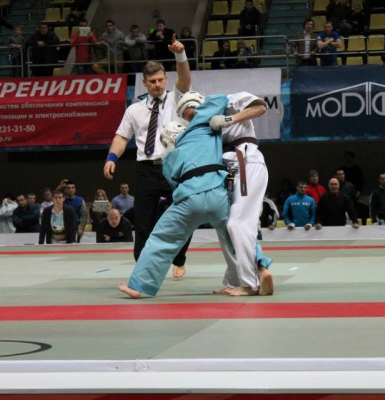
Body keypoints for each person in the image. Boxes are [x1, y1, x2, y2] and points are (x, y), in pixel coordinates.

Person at [118, 94, 269, 298]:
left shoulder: (170, 158)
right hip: (218, 195)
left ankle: (139, 285)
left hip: (189, 198)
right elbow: (216, 102)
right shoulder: (205, 129)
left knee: (162, 238)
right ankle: (260, 267)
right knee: (236, 230)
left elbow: (173, 184)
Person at [103, 36, 192, 278]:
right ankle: (143, 267)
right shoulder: (135, 109)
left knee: (184, 213)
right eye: (152, 81)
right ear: (144, 83)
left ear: (166, 79)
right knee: (143, 221)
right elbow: (122, 137)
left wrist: (180, 54)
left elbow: (185, 79)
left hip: (175, 166)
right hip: (146, 169)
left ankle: (179, 259)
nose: (157, 85)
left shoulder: (176, 98)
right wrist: (111, 158)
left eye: (161, 80)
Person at [202, 90, 274, 294]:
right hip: (228, 171)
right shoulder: (201, 123)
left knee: (238, 224)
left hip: (246, 163)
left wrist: (228, 119)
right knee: (225, 226)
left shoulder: (231, 100)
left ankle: (250, 283)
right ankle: (235, 279)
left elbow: (260, 107)